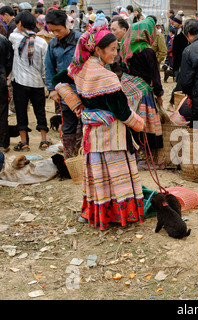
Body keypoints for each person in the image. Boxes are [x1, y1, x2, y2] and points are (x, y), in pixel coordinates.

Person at [53, 25, 145, 230]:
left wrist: (78, 106)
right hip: (112, 136)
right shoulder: (108, 78)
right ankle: (120, 215)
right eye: (112, 49)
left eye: (117, 48)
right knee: (116, 174)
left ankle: (94, 213)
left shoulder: (78, 69)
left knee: (98, 175)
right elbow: (122, 112)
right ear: (98, 50)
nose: (116, 53)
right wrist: (140, 124)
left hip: (92, 135)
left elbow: (57, 81)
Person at [120, 17, 165, 168]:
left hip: (127, 90)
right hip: (142, 92)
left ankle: (132, 155)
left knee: (131, 121)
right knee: (145, 124)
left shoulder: (125, 49)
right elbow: (155, 75)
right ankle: (145, 158)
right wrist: (159, 94)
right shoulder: (147, 51)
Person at [45, 9, 82, 158]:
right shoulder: (53, 44)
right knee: (68, 126)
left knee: (86, 124)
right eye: (52, 31)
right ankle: (71, 158)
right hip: (65, 92)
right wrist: (52, 89)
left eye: (58, 30)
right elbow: (48, 67)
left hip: (83, 91)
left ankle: (85, 158)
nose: (55, 34)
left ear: (66, 25)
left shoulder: (81, 40)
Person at [10, 11, 49, 152]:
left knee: (21, 111)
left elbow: (14, 30)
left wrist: (19, 26)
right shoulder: (42, 42)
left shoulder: (14, 37)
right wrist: (46, 83)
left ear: (20, 23)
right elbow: (45, 66)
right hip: (37, 82)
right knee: (40, 111)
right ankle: (44, 141)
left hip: (20, 82)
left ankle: (24, 142)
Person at [0, 32, 13, 153]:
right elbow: (10, 61)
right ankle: (3, 143)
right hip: (1, 79)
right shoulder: (3, 40)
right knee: (2, 112)